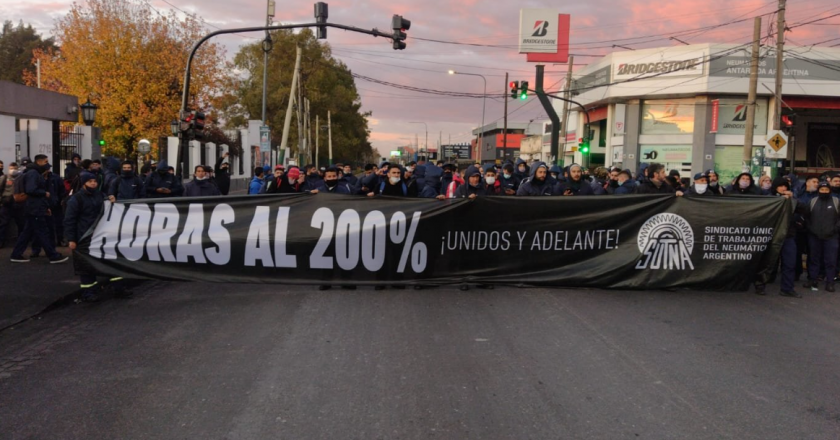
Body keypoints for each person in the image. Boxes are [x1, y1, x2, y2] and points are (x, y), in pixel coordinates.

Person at [9, 155, 68, 264]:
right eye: (45, 161)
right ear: (39, 162)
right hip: (35, 208)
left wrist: (45, 206)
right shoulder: (33, 174)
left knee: (27, 233)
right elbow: (31, 189)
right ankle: (52, 255)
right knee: (42, 232)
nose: (47, 163)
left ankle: (16, 254)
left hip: (33, 208)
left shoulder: (32, 173)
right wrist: (44, 193)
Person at [759, 176, 805, 298]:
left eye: (785, 186)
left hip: (788, 235)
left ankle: (787, 288)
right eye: (781, 186)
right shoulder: (769, 198)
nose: (783, 188)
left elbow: (803, 209)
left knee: (789, 263)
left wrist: (792, 199)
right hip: (772, 235)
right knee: (768, 263)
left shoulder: (791, 198)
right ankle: (760, 285)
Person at [805, 181, 840, 293]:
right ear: (818, 190)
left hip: (832, 236)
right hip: (814, 236)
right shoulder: (813, 201)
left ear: (829, 190)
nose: (824, 192)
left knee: (830, 261)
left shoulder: (836, 201)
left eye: (826, 190)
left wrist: (835, 230)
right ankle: (812, 280)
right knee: (814, 259)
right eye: (822, 190)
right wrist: (811, 229)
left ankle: (830, 282)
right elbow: (807, 217)